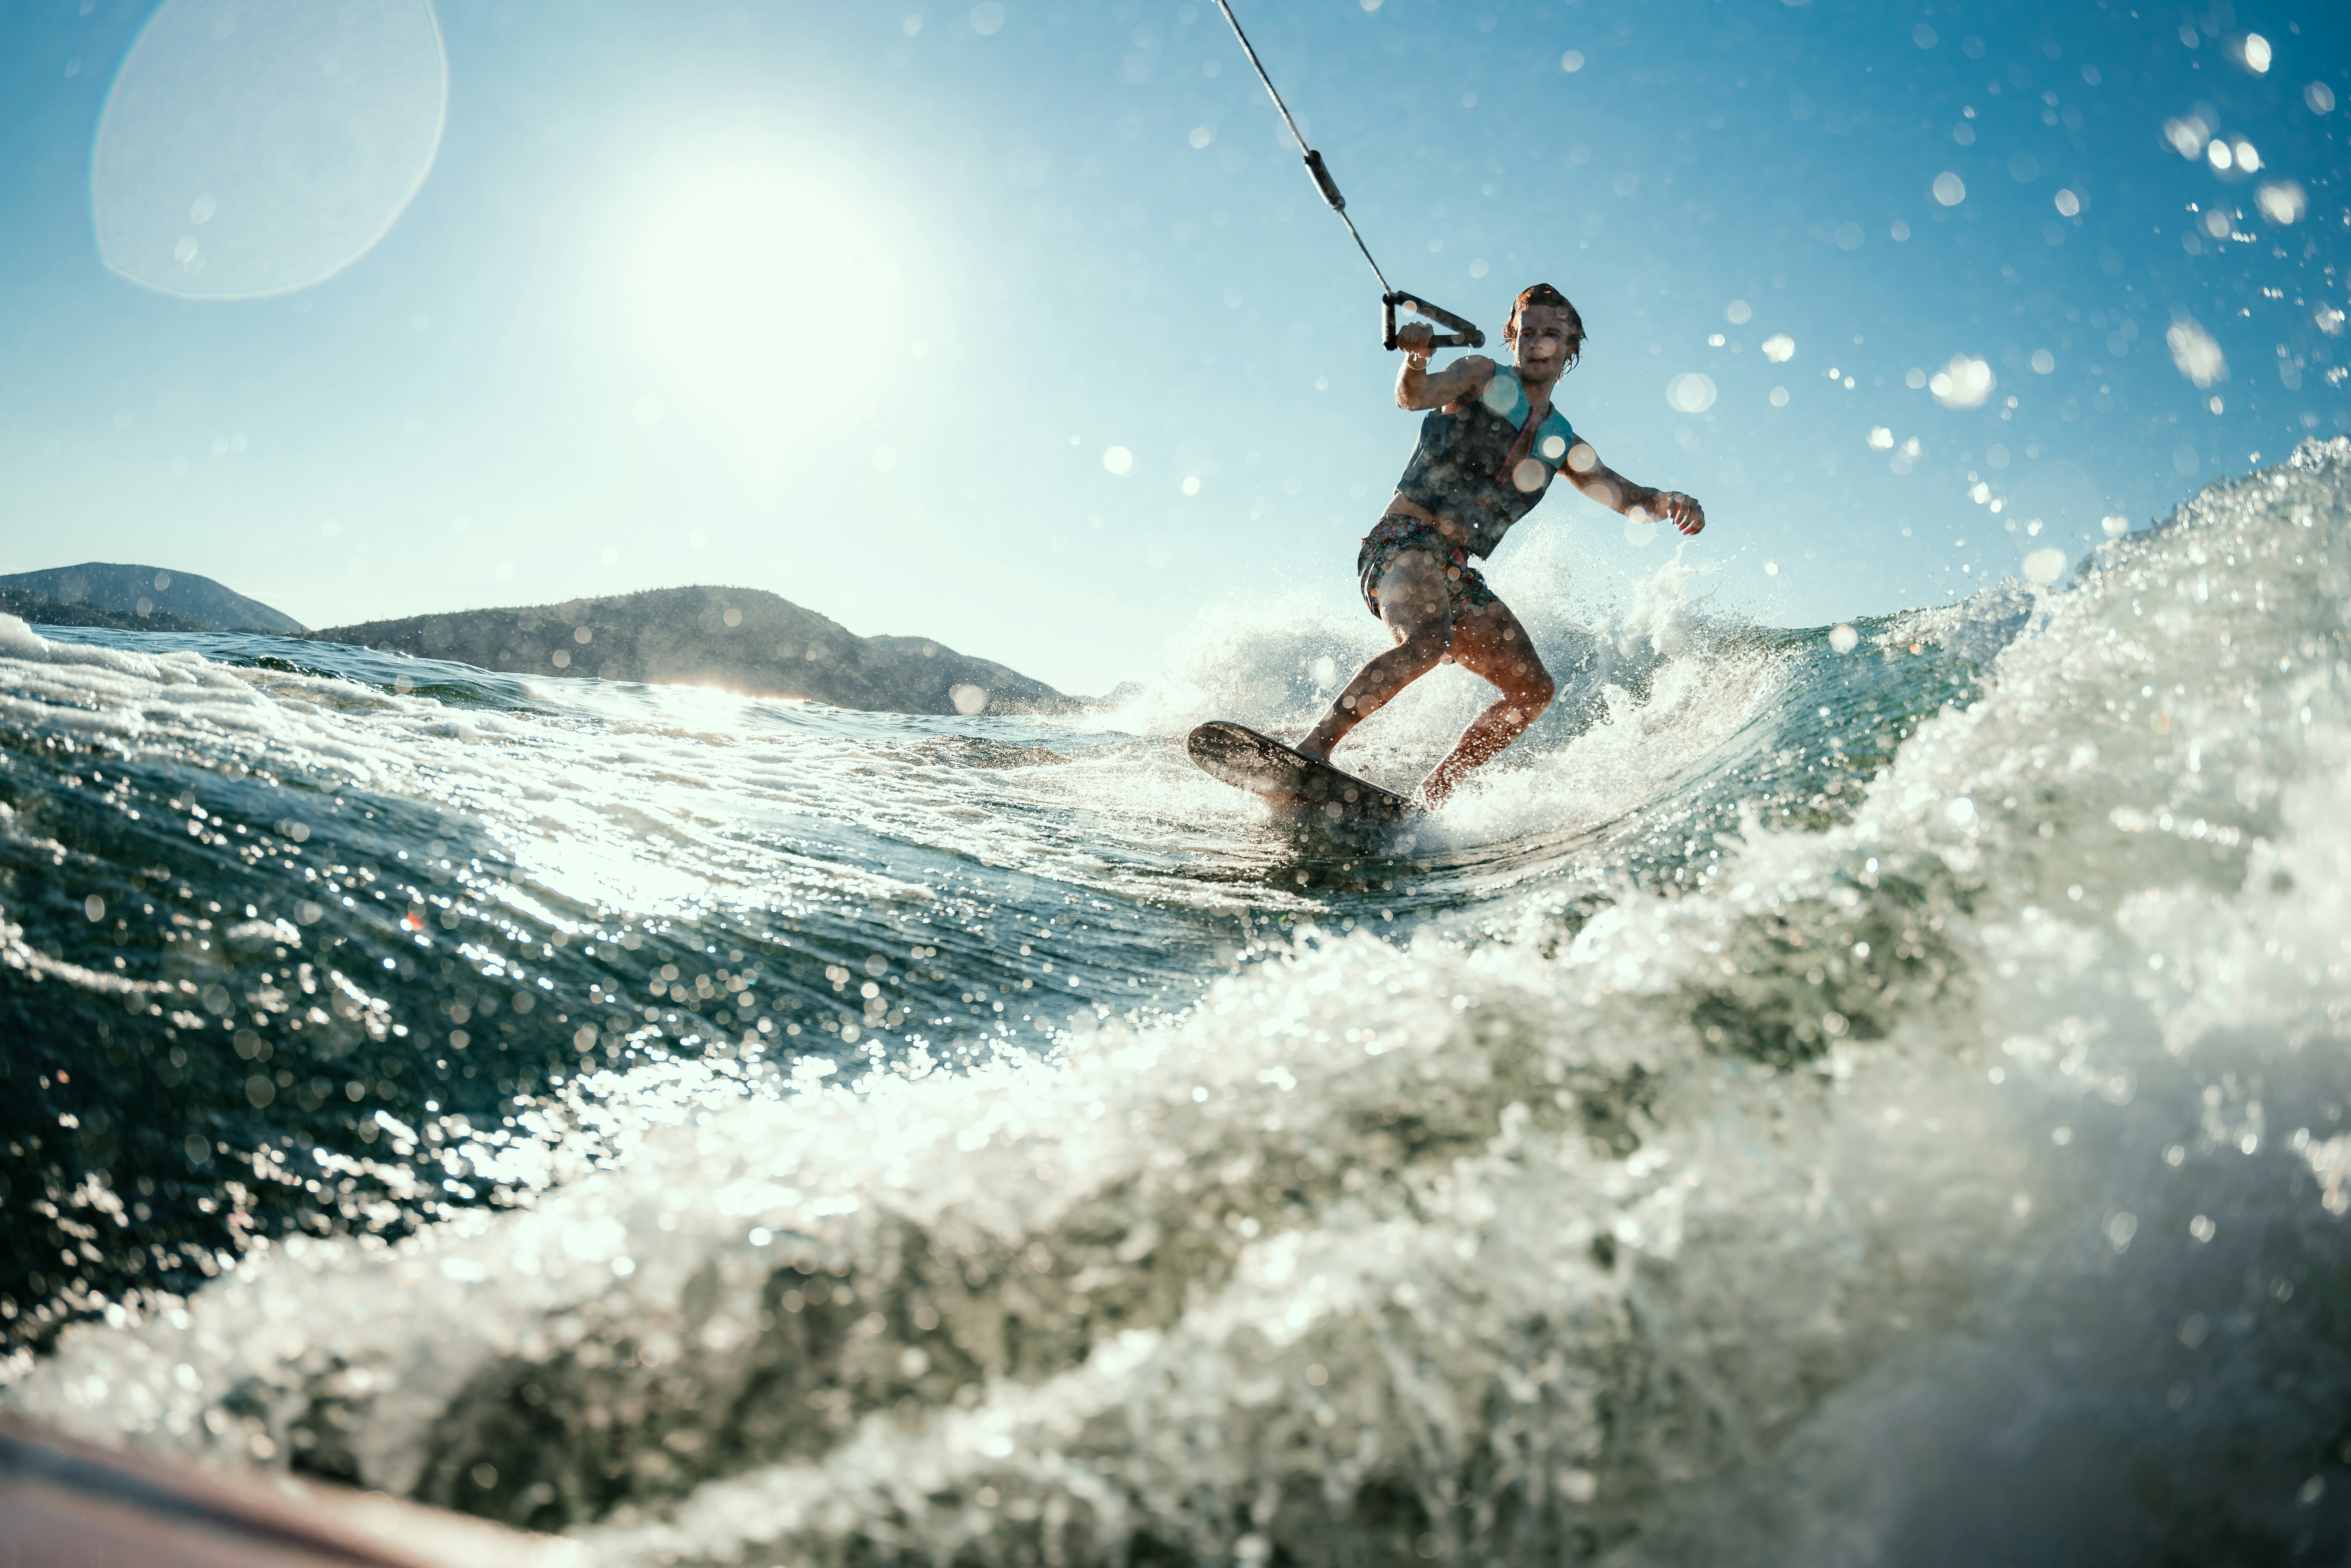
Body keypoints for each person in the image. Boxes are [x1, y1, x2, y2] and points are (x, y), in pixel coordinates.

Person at [1294, 283, 1706, 806]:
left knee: (1533, 691)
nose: (1537, 342)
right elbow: (1413, 397)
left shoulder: (1561, 441)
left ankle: (1432, 797)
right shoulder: (1480, 376)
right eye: (1527, 332)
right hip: (1402, 541)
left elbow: (1630, 499)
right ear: (1513, 338)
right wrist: (1416, 360)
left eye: (1550, 334)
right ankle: (1313, 749)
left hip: (1454, 569)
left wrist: (1673, 501)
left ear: (1570, 348)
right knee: (1428, 641)